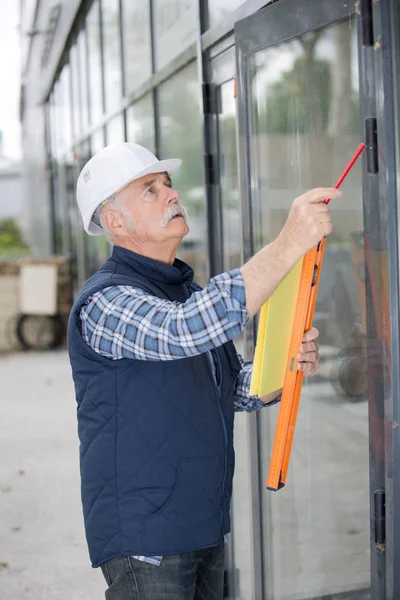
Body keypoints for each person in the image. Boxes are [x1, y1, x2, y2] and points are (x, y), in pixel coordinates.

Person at [67, 142, 340, 600]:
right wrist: (290, 241)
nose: (172, 195)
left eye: (168, 184)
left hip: (202, 521)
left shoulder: (180, 291)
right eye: (150, 190)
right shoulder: (105, 302)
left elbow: (228, 388)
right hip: (146, 538)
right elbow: (185, 331)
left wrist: (284, 366)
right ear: (115, 222)